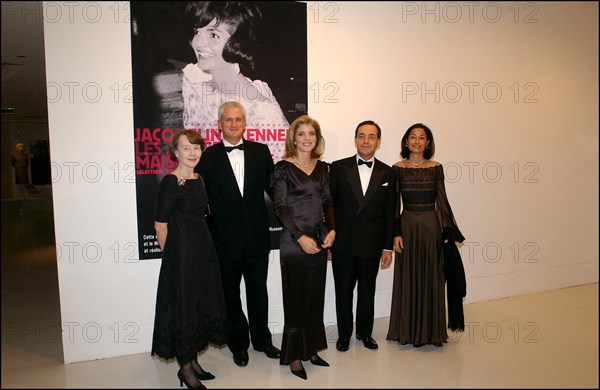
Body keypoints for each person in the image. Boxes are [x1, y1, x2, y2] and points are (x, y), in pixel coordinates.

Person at [195, 101, 280, 367]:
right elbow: (201, 199)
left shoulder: (261, 152)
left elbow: (276, 190)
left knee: (258, 291)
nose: (233, 124)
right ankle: (238, 344)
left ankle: (263, 341)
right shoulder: (208, 158)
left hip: (256, 237)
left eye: (238, 119)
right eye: (228, 120)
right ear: (219, 124)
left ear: (245, 123)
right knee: (230, 294)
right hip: (224, 240)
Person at [152, 130, 228, 389]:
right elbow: (160, 224)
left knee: (198, 303)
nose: (192, 153)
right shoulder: (170, 182)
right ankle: (185, 369)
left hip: (202, 249)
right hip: (181, 254)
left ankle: (193, 360)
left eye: (196, 148)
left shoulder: (200, 179)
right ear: (175, 152)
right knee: (184, 306)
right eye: (186, 148)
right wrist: (172, 256)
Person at [386, 123, 465, 348]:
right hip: (408, 226)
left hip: (431, 227)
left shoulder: (436, 166)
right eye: (413, 137)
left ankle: (432, 332)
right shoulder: (397, 168)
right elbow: (393, 206)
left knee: (432, 276)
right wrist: (396, 233)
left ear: (427, 142)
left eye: (422, 138)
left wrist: (448, 231)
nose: (417, 141)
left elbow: (442, 201)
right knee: (409, 276)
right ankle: (408, 331)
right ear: (406, 140)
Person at [273, 114, 335, 380]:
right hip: (293, 240)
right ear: (293, 138)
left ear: (317, 139)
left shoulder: (324, 169)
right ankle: (294, 356)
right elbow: (280, 206)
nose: (307, 138)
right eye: (302, 134)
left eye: (312, 134)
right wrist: (299, 237)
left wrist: (332, 230)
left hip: (319, 239)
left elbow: (328, 203)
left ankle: (311, 349)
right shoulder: (282, 168)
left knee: (314, 297)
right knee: (296, 298)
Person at [329, 120, 396, 353]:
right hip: (343, 243)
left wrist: (387, 247)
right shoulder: (337, 168)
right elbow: (329, 208)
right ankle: (344, 335)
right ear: (355, 139)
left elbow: (391, 212)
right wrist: (329, 241)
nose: (366, 141)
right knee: (343, 292)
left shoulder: (389, 172)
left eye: (371, 136)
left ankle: (365, 333)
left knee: (368, 290)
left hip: (372, 243)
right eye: (361, 136)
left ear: (378, 142)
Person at [182, 1, 289, 136]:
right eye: (197, 31)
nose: (197, 42)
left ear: (238, 44)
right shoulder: (194, 78)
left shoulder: (261, 112)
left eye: (214, 35)